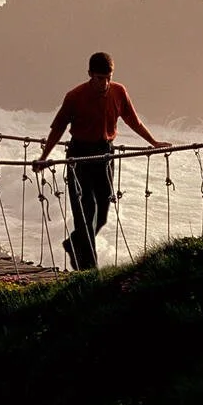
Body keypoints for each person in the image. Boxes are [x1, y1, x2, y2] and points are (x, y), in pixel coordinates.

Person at [32, 51, 172, 270]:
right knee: (86, 212)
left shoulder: (119, 91)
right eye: (100, 78)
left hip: (105, 154)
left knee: (104, 212)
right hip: (79, 156)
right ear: (90, 74)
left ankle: (74, 243)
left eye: (109, 77)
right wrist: (43, 158)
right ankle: (89, 271)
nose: (105, 83)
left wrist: (153, 142)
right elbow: (58, 128)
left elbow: (132, 120)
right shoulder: (75, 96)